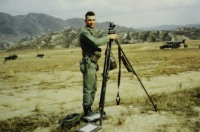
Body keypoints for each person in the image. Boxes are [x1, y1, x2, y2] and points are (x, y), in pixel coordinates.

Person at [79, 11, 117, 116]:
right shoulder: (84, 32)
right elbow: (96, 42)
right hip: (88, 63)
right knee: (88, 88)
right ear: (85, 21)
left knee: (93, 87)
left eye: (94, 20)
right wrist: (109, 37)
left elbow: (95, 43)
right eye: (90, 20)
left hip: (92, 63)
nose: (92, 22)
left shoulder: (90, 31)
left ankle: (89, 109)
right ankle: (87, 111)